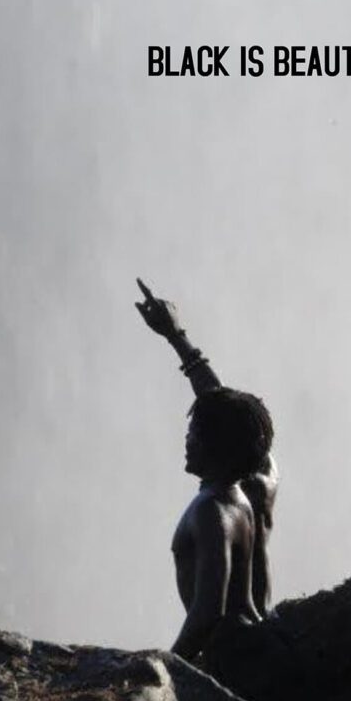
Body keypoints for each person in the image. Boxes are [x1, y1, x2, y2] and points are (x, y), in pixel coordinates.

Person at [135, 278, 278, 660]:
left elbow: (208, 612)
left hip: (233, 660)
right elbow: (228, 411)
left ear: (216, 446)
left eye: (194, 432)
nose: (186, 438)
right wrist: (175, 337)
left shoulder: (211, 511)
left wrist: (170, 670)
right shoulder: (251, 484)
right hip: (256, 640)